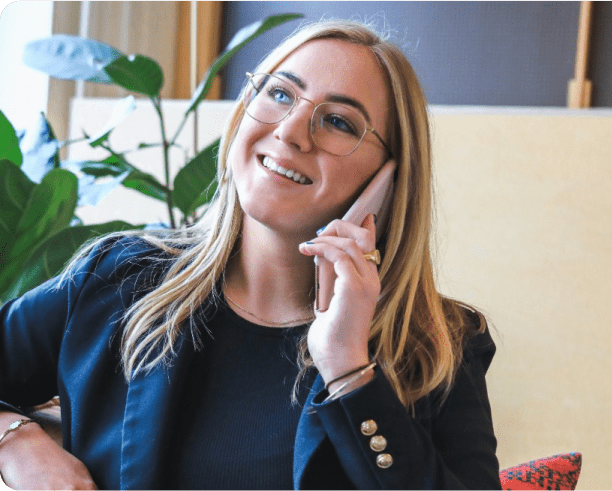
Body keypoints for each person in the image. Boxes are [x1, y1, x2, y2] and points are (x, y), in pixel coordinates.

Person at [0, 19, 501, 490]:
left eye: (338, 122)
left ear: (389, 178)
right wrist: (16, 441)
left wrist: (349, 370)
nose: (290, 131)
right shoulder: (118, 279)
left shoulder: (439, 344)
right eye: (280, 94)